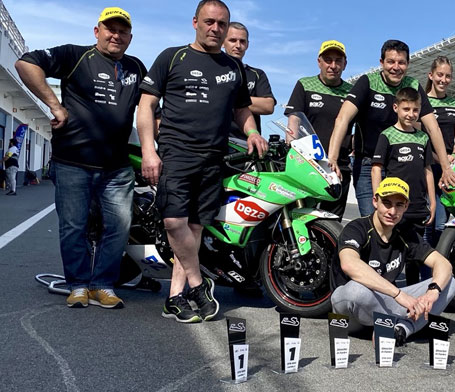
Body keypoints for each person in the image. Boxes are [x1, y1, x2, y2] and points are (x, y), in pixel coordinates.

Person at [137, 0, 267, 323]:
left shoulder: (233, 67)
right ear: (195, 21)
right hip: (175, 153)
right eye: (210, 22)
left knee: (194, 228)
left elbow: (241, 110)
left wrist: (251, 132)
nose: (216, 29)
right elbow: (146, 105)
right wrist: (148, 150)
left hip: (214, 158)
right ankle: (198, 284)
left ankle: (174, 299)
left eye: (222, 24)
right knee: (174, 223)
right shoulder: (172, 57)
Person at [15, 7, 147, 309]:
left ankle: (103, 285)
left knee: (118, 227)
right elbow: (25, 64)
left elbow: (151, 108)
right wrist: (54, 105)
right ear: (97, 31)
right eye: (109, 29)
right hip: (72, 161)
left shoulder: (136, 67)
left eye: (122, 31)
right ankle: (77, 285)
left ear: (130, 37)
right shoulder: (75, 56)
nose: (116, 35)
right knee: (73, 226)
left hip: (116, 166)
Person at [326, 39, 455, 217]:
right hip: (368, 166)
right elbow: (343, 118)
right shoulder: (368, 82)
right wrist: (332, 158)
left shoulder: (412, 85)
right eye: (391, 62)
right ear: (381, 63)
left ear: (408, 64)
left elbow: (432, 127)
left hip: (400, 166)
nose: (396, 67)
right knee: (374, 221)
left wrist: (445, 167)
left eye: (401, 62)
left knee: (400, 225)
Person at [331, 177, 455, 346]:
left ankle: (401, 329)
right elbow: (349, 264)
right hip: (351, 311)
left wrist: (432, 292)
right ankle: (404, 321)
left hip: (385, 302)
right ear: (375, 201)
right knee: (356, 290)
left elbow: (442, 263)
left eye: (399, 205)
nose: (392, 211)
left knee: (450, 283)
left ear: (406, 206)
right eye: (387, 203)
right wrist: (399, 295)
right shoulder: (357, 228)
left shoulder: (405, 232)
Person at [372, 87, 436, 284]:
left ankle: (412, 295)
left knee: (414, 257)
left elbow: (428, 171)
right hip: (394, 207)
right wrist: (379, 199)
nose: (411, 114)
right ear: (396, 108)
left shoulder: (423, 138)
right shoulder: (387, 135)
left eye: (415, 110)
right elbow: (376, 168)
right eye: (406, 109)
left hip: (417, 206)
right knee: (389, 253)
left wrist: (432, 202)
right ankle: (385, 293)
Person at [284, 40, 353, 220]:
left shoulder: (351, 92)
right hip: (309, 165)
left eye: (338, 61)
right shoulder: (305, 84)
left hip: (339, 167)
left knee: (332, 221)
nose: (333, 65)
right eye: (328, 60)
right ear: (319, 62)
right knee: (301, 217)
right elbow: (294, 120)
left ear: (345, 64)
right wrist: (290, 147)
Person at [422, 56, 455, 247]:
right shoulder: (422, 103)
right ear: (431, 75)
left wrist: (454, 156)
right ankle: (423, 271)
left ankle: (441, 265)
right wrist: (439, 159)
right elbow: (419, 139)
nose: (443, 80)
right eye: (440, 75)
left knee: (442, 224)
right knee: (427, 223)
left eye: (448, 76)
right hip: (427, 167)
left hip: (449, 170)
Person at [222, 21, 276, 138]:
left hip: (248, 143)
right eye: (232, 40)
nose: (238, 45)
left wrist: (227, 98)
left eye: (242, 41)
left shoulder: (257, 74)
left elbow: (268, 106)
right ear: (222, 42)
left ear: (247, 44)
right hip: (218, 141)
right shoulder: (212, 70)